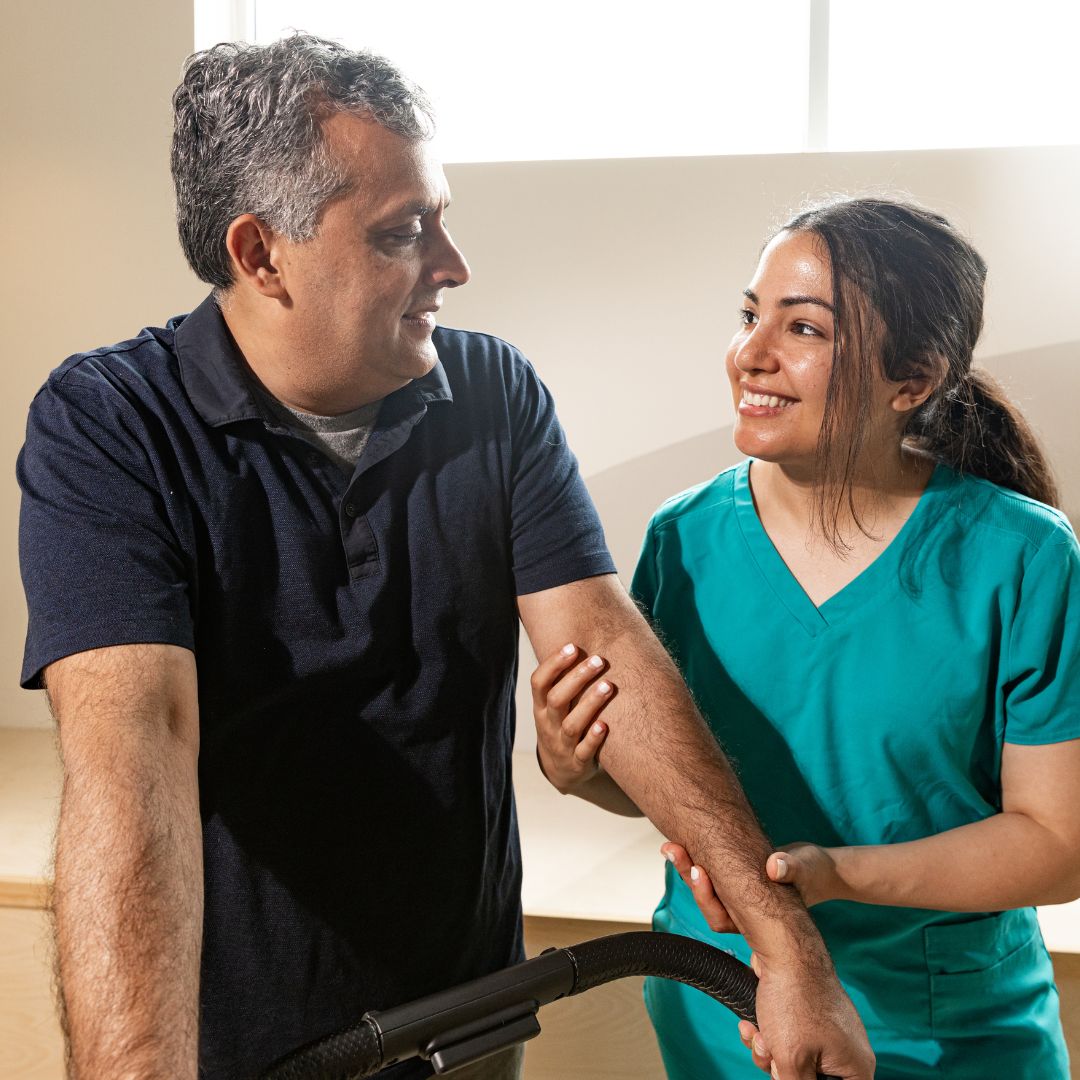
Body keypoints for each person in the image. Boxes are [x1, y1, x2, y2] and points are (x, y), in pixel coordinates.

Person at [17, 34, 874, 1080]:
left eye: (441, 220)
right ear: (259, 253)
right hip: (230, 1045)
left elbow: (605, 649)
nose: (453, 267)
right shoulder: (111, 423)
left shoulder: (491, 396)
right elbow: (135, 745)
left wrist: (785, 947)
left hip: (467, 1017)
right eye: (402, 232)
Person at [533, 197, 1080, 1078]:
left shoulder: (1023, 558)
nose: (751, 354)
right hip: (730, 1020)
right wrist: (583, 769)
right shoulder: (685, 541)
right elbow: (670, 789)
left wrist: (834, 873)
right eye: (750, 317)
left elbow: (1057, 845)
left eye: (804, 329)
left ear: (912, 380)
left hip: (952, 1033)